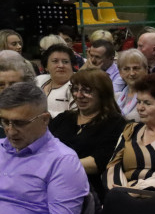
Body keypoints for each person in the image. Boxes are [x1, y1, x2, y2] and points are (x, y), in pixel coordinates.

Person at [0, 82, 90, 214]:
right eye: (5, 121)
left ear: (45, 119)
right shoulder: (2, 148)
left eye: (20, 123)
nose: (10, 131)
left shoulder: (62, 161)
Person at [48, 68, 127, 197]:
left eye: (86, 90)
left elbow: (98, 162)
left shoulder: (115, 123)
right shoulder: (64, 118)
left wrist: (55, 165)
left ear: (102, 93)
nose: (79, 95)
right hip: (52, 183)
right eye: (75, 89)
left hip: (88, 190)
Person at [35, 43, 75, 117]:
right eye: (55, 61)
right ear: (46, 66)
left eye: (65, 62)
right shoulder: (39, 80)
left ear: (71, 65)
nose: (61, 65)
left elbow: (76, 116)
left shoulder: (77, 85)